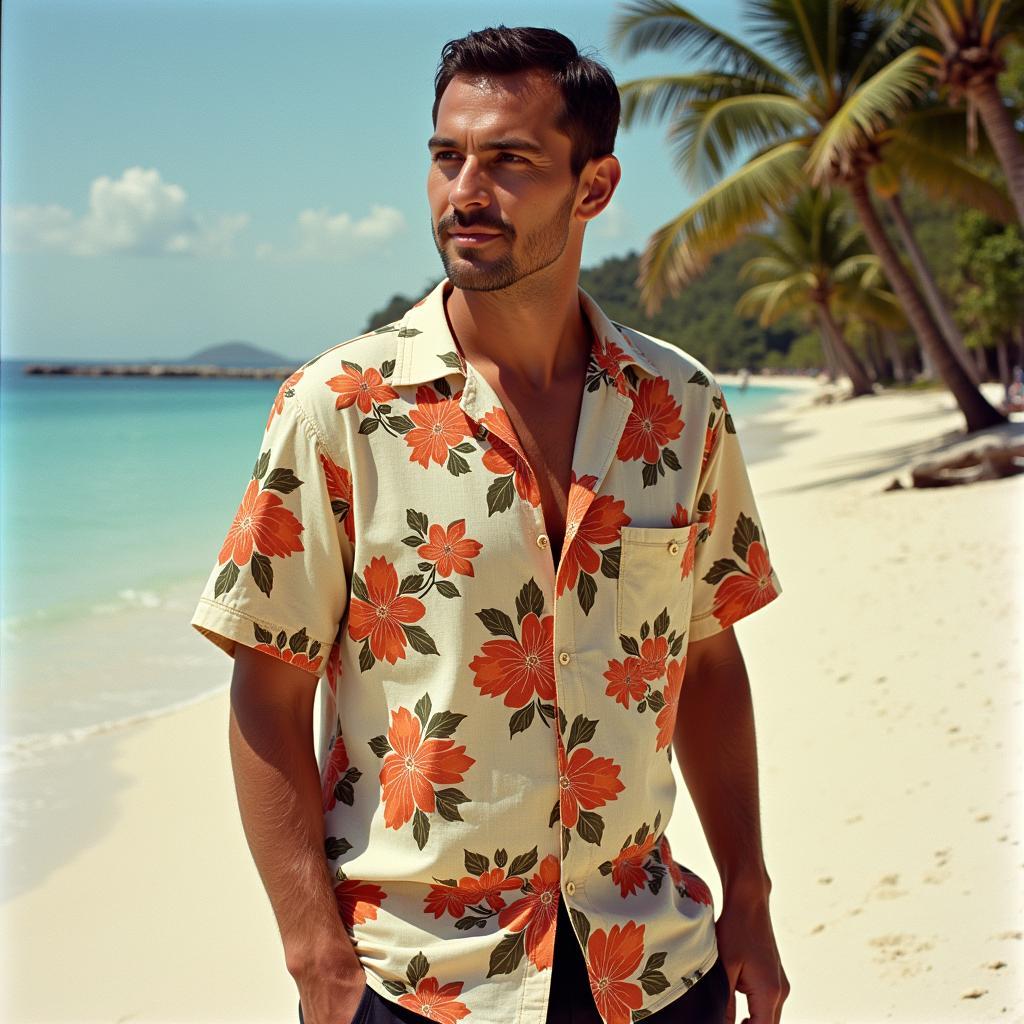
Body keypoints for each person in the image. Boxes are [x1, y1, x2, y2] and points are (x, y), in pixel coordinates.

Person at [190, 25, 789, 1024]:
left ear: (592, 188)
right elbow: (267, 683)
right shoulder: (339, 407)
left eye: (508, 161)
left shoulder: (678, 405)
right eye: (446, 156)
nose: (465, 192)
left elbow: (707, 662)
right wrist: (312, 955)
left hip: (649, 967)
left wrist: (751, 901)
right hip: (419, 981)